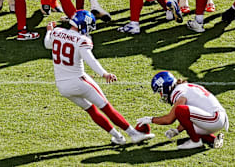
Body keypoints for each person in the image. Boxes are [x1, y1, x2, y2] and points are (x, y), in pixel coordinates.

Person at [43, 10, 155, 145]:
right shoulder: (82, 40)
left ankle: (118, 137)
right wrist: (104, 73)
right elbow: (91, 60)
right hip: (79, 81)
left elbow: (47, 44)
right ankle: (133, 134)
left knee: (91, 110)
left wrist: (49, 31)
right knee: (106, 108)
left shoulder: (57, 32)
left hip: (62, 86)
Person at [138, 71, 228, 150]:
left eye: (160, 92)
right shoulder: (184, 87)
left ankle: (195, 142)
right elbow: (190, 115)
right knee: (190, 126)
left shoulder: (177, 92)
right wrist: (177, 130)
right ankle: (213, 140)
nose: (161, 95)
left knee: (180, 110)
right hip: (217, 116)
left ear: (166, 87)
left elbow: (170, 119)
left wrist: (151, 119)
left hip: (214, 118)